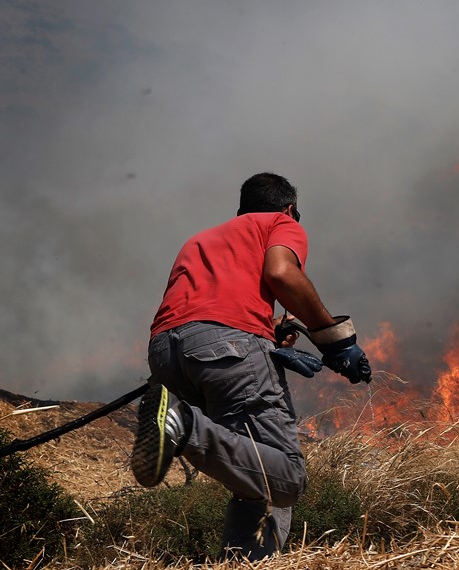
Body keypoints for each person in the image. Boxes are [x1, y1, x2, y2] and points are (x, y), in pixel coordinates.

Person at [131, 172, 372, 560]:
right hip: (226, 345)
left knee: (256, 473)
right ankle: (184, 425)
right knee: (288, 478)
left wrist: (267, 332)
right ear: (290, 208)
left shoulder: (200, 239)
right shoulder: (280, 222)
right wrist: (333, 338)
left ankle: (244, 563)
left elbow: (201, 309)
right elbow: (281, 273)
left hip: (166, 352)